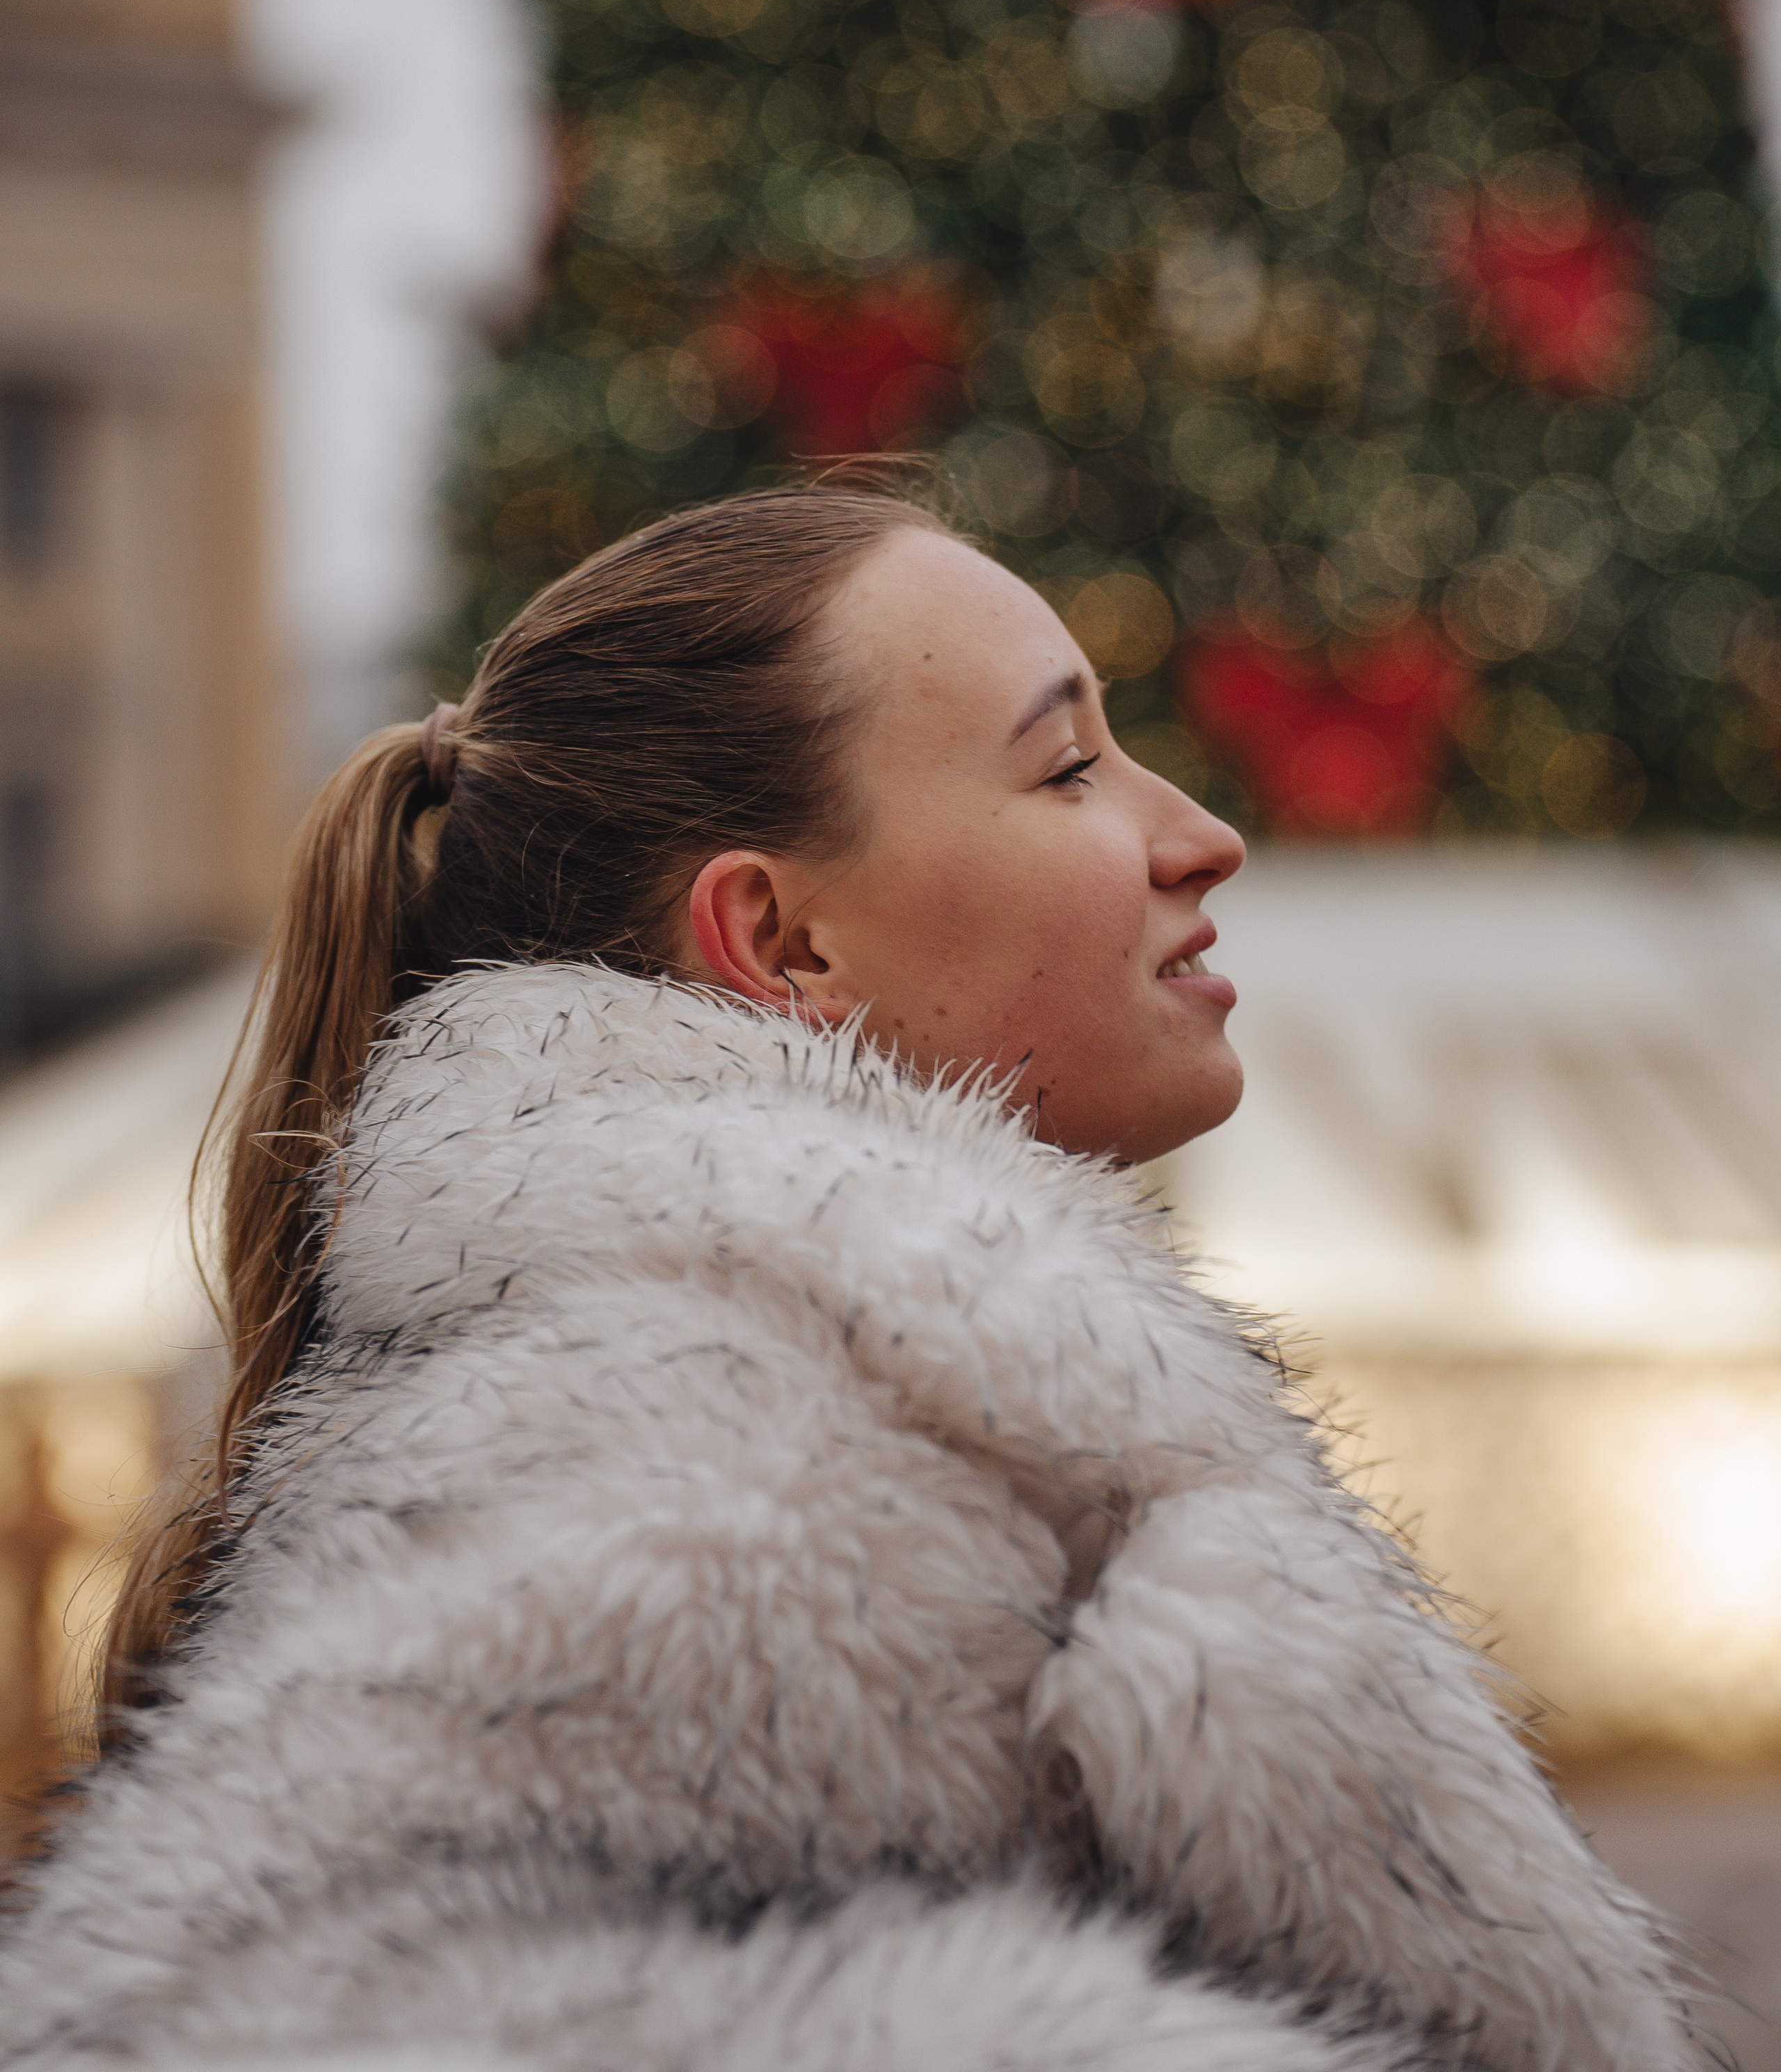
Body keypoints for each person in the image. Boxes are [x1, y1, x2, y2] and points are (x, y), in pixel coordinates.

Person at [0, 488, 1693, 2071]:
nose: (1201, 837)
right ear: (783, 944)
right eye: (1067, 770)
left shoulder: (820, 1370)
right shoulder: (723, 1443)